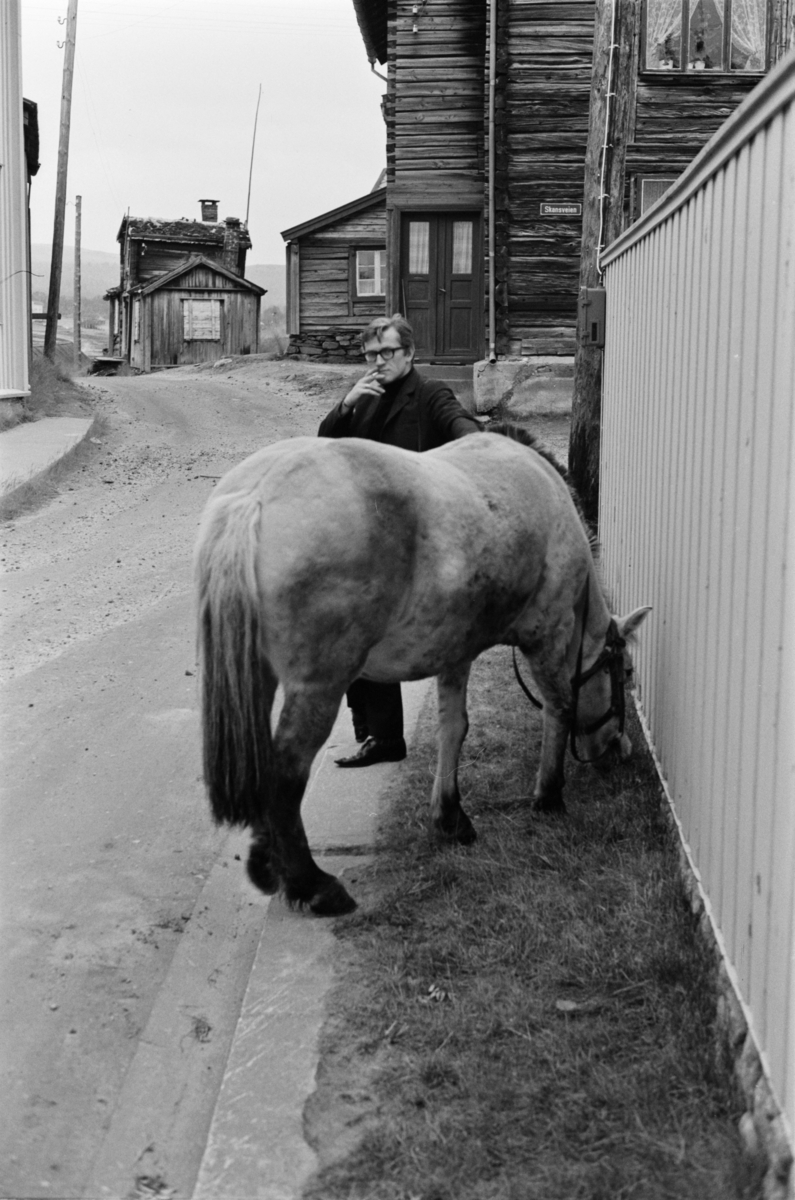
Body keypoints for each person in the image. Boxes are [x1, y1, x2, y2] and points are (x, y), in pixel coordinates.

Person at [318, 313, 482, 767]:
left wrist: (468, 456)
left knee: (370, 630)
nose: (377, 362)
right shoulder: (365, 397)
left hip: (417, 539)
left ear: (409, 353)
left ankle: (384, 736)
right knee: (350, 626)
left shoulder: (429, 394)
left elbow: (462, 425)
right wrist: (346, 405)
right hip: (370, 536)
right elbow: (326, 443)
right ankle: (379, 735)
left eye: (386, 353)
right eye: (370, 355)